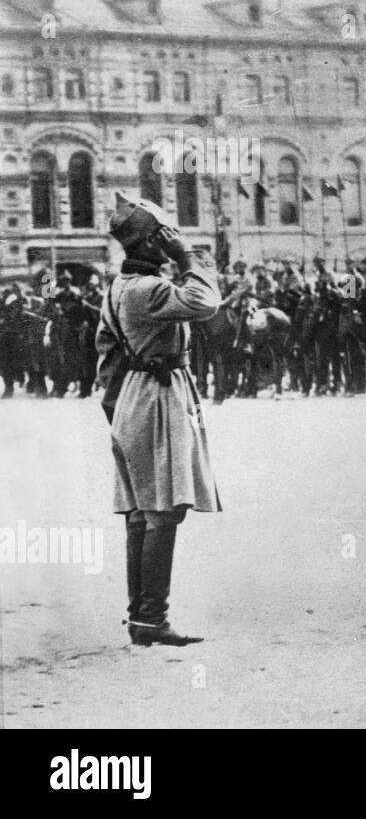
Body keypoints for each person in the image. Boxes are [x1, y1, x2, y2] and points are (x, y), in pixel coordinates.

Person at [95, 193, 222, 646]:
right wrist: (185, 255)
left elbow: (105, 357)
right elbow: (207, 302)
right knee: (162, 510)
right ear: (153, 242)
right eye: (164, 235)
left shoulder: (117, 288)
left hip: (133, 397)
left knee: (139, 514)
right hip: (157, 397)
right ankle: (151, 618)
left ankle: (142, 618)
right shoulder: (149, 291)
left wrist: (118, 411)